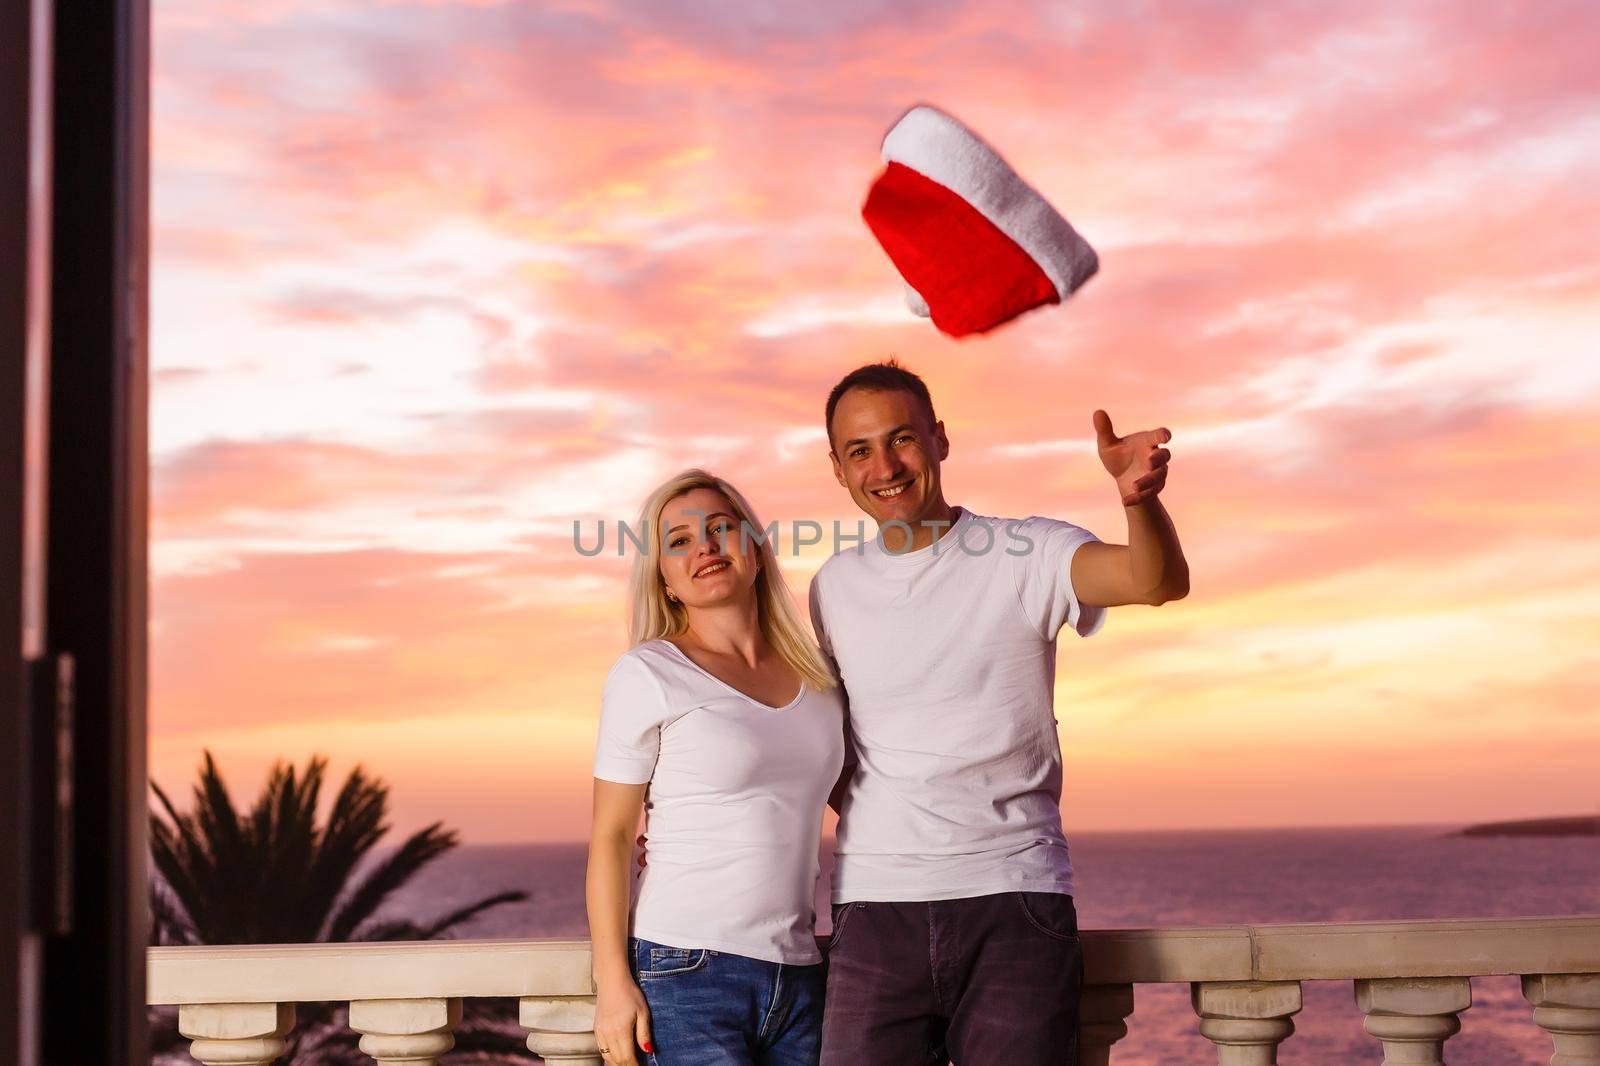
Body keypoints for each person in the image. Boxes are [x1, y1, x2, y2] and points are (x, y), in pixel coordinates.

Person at [810, 360, 1189, 1066]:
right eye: (859, 450)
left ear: (941, 440)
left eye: (903, 439)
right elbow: (820, 743)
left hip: (1013, 898)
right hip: (873, 903)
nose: (885, 465)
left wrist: (1138, 499)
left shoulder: (1027, 552)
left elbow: (1155, 579)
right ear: (837, 468)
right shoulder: (832, 587)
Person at [587, 469, 846, 1066]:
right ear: (667, 582)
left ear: (754, 551)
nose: (703, 545)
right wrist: (613, 983)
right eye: (678, 541)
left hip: (800, 972)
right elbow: (612, 836)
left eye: (720, 528)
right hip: (687, 970)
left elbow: (858, 795)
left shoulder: (820, 680)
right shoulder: (648, 673)